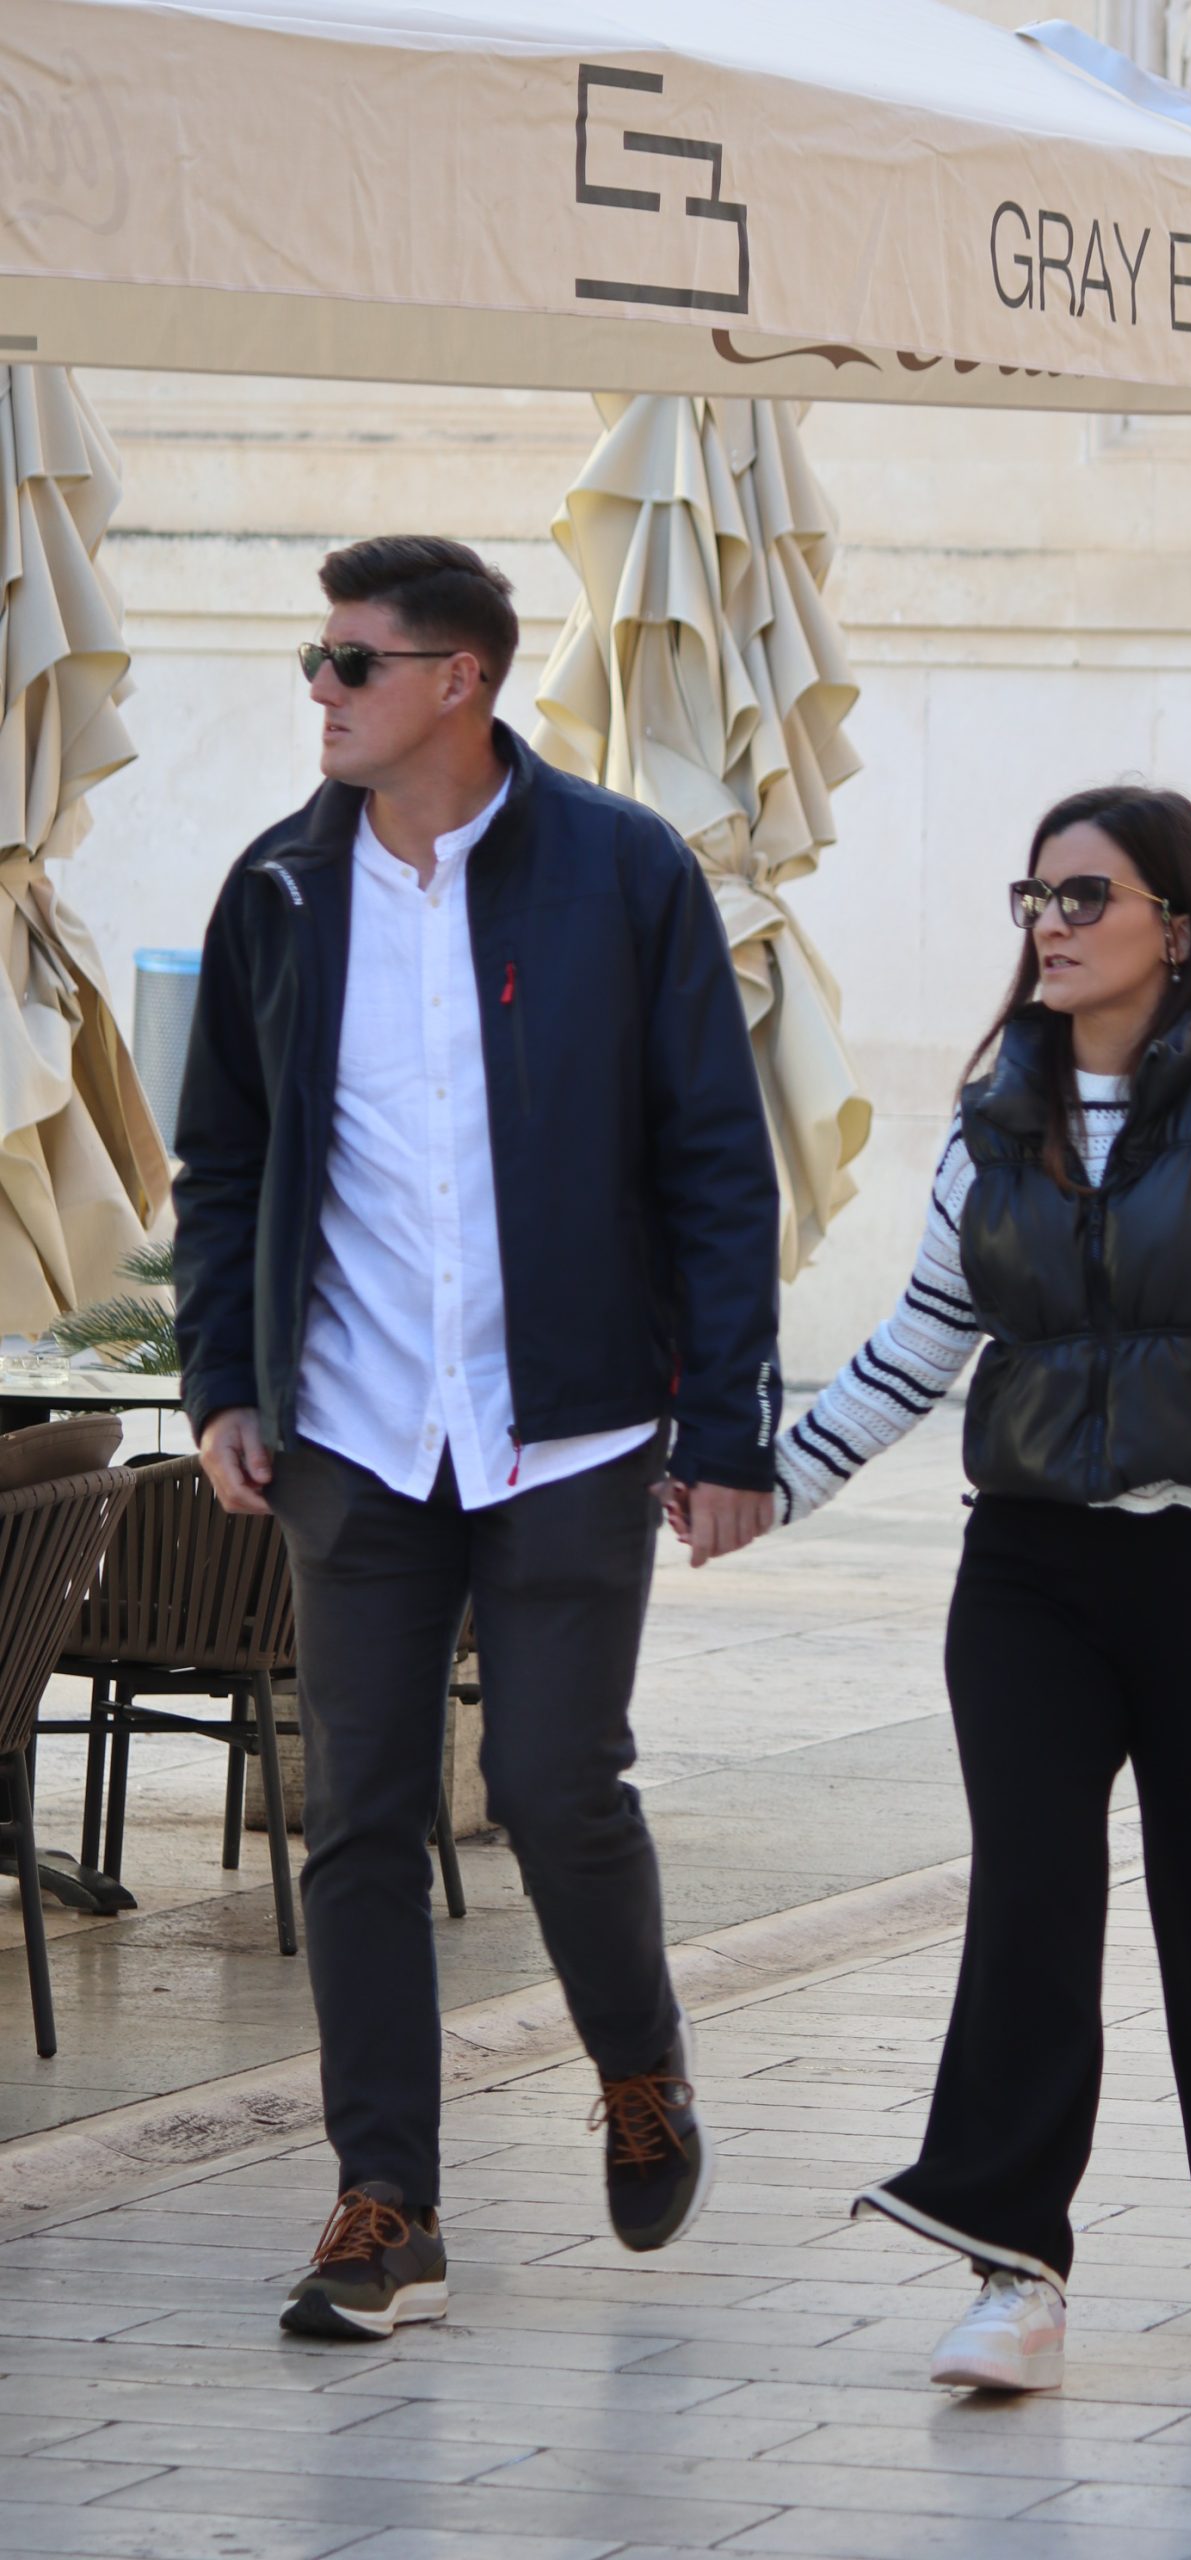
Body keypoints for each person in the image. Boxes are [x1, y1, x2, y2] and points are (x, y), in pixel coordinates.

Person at [174, 535, 780, 2341]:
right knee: (357, 1816)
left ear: (460, 680)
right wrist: (223, 1378)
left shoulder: (624, 870)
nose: (321, 688)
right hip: (355, 1430)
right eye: (317, 659)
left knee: (551, 1784)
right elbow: (225, 1160)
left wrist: (729, 1424)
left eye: (352, 661)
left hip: (568, 1428)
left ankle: (640, 2069)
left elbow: (715, 1158)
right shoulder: (280, 887)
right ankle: (388, 2205)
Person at [762, 783, 1191, 2391]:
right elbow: (919, 1339)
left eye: (1084, 897)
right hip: (1032, 1569)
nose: (1048, 925)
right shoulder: (999, 1112)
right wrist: (767, 1482)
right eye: (1035, 898)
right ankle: (1013, 2264)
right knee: (1031, 1894)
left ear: (1176, 929)